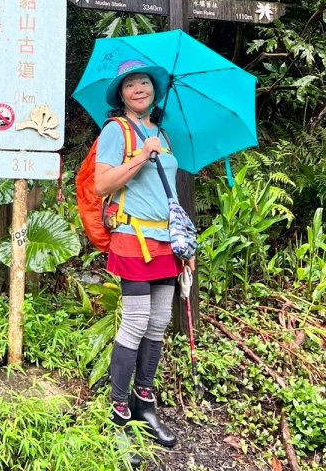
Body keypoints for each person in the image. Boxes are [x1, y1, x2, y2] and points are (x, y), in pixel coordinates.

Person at [94, 59, 195, 448]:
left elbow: (168, 196)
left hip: (167, 243)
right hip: (132, 239)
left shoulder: (164, 135)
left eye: (145, 83)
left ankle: (144, 402)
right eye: (130, 85)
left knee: (158, 323)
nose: (139, 89)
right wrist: (140, 156)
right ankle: (118, 409)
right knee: (135, 323)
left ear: (155, 90)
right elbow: (103, 184)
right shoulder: (117, 131)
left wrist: (186, 244)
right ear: (121, 95)